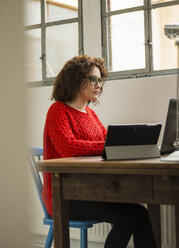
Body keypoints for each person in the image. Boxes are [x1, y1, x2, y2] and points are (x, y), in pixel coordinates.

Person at [42, 55, 156, 248]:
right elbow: (69, 147)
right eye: (93, 79)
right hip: (64, 197)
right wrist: (109, 146)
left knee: (141, 213)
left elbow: (107, 142)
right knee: (125, 217)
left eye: (100, 80)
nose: (99, 85)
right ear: (75, 80)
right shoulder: (58, 110)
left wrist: (123, 145)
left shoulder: (91, 114)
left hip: (88, 190)